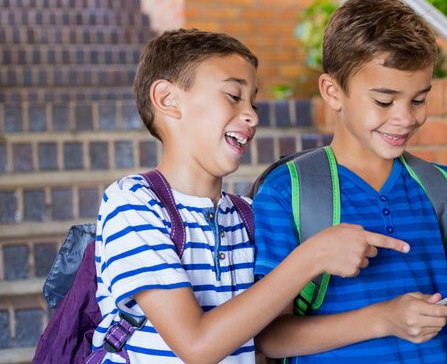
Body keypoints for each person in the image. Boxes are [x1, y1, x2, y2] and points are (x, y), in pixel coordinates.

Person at [252, 0, 447, 363]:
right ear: (332, 92)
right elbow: (269, 339)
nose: (405, 118)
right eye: (385, 101)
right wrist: (381, 320)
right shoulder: (287, 190)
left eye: (418, 100)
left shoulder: (441, 187)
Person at [93, 28, 410, 364]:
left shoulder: (247, 214)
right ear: (168, 100)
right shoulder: (133, 203)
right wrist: (310, 258)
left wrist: (385, 318)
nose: (253, 116)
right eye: (233, 95)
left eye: (253, 102)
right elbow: (197, 346)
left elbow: (267, 340)